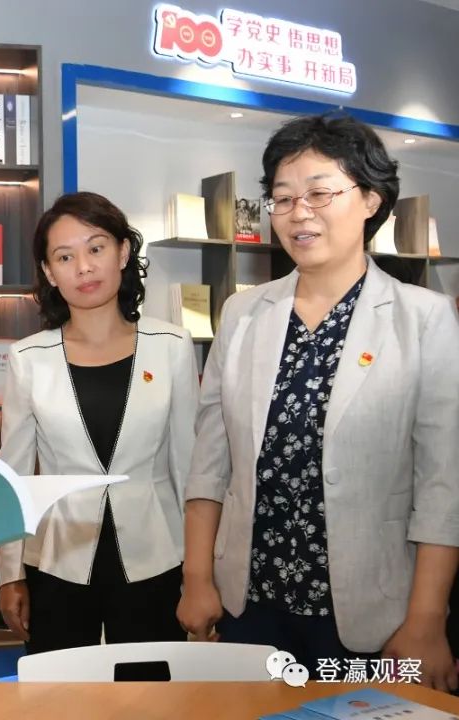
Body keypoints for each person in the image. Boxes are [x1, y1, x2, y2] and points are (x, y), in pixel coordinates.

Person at [177, 112, 459, 689]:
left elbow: (443, 484)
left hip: (373, 616)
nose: (299, 212)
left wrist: (427, 620)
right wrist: (197, 578)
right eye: (283, 198)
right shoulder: (243, 312)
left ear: (371, 200)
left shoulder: (423, 318)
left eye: (320, 193)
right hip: (250, 604)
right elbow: (210, 464)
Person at [0, 191, 198, 654]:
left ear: (123, 252)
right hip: (58, 560)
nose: (84, 268)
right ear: (49, 272)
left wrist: (199, 570)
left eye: (96, 248)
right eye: (65, 257)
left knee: (152, 685)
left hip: (157, 556)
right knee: (59, 689)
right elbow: (15, 477)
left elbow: (188, 468)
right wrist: (11, 574)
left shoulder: (171, 346)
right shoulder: (28, 358)